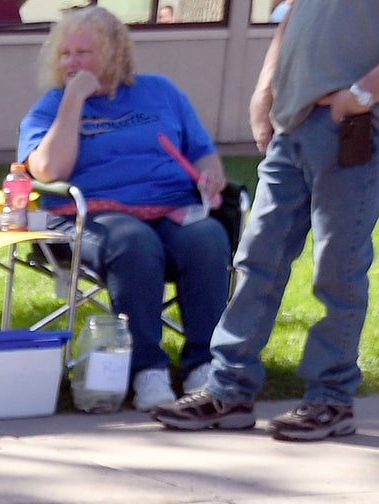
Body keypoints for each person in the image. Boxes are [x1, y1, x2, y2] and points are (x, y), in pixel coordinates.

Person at [150, 0, 379, 441]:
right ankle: (228, 391)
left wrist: (362, 95)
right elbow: (294, 18)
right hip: (295, 124)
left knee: (338, 268)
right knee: (256, 258)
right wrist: (266, 91)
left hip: (357, 126)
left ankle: (330, 399)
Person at [19, 4, 230, 413]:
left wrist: (210, 176)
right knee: (133, 242)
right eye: (65, 53)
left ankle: (204, 366)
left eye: (84, 53)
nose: (71, 62)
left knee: (208, 237)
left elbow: (202, 151)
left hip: (170, 206)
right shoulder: (53, 104)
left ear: (114, 56)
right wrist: (75, 100)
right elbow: (47, 168)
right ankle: (146, 369)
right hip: (90, 216)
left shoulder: (161, 92)